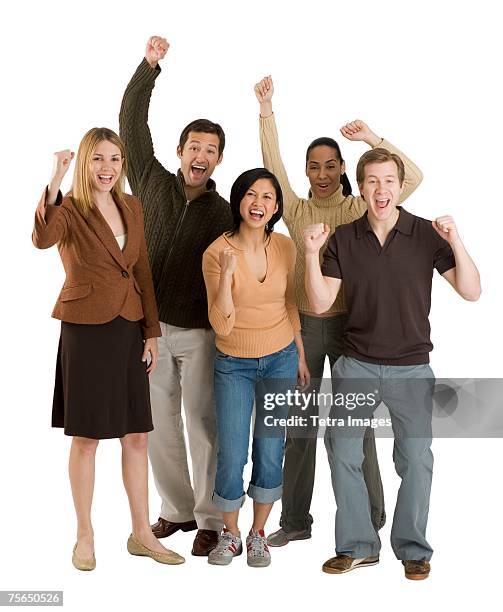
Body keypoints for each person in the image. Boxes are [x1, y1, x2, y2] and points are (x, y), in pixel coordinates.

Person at [254, 76, 423, 547]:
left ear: (343, 168)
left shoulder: (358, 208)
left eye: (330, 165)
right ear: (307, 173)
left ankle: (370, 514)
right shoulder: (296, 209)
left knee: (355, 426)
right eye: (314, 167)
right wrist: (267, 112)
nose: (323, 173)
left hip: (352, 329)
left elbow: (409, 177)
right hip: (304, 329)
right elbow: (272, 166)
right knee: (300, 428)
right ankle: (294, 522)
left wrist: (373, 139)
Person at [303, 148, 481, 579]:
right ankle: (358, 545)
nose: (381, 190)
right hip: (357, 364)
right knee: (342, 452)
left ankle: (413, 548)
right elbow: (322, 300)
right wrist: (310, 253)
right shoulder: (344, 238)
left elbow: (472, 291)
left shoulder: (425, 234)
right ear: (360, 187)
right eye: (372, 181)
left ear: (400, 187)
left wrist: (456, 238)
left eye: (388, 181)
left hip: (412, 368)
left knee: (416, 459)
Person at [32, 128, 185, 570]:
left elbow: (140, 270)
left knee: (137, 435)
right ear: (84, 162)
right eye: (98, 159)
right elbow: (42, 237)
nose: (107, 168)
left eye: (115, 159)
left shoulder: (132, 206)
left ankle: (141, 534)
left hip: (128, 329)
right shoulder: (70, 208)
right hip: (85, 331)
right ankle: (84, 535)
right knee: (87, 438)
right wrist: (55, 178)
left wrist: (151, 331)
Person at [119, 36, 233, 556]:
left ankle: (210, 516)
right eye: (195, 147)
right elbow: (131, 123)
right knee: (159, 422)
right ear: (180, 151)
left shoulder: (225, 212)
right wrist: (149, 67)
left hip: (202, 332)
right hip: (152, 330)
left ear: (218, 160)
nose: (201, 156)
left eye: (211, 151)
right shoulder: (149, 179)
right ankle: (176, 510)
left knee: (201, 423)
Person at [202, 168, 309, 567]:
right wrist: (229, 273)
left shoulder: (285, 246)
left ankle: (257, 533)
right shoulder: (216, 252)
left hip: (280, 355)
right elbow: (222, 323)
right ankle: (229, 534)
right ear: (238, 200)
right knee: (232, 451)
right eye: (251, 195)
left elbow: (290, 303)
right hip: (234, 362)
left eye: (267, 196)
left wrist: (298, 352)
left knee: (269, 449)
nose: (258, 203)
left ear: (276, 206)